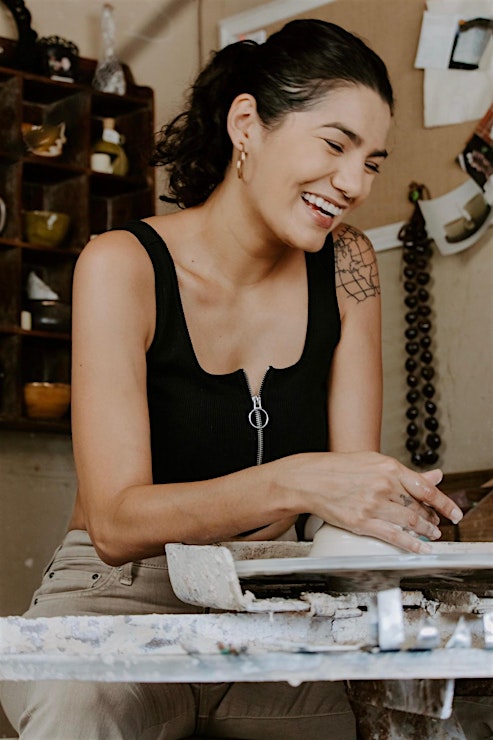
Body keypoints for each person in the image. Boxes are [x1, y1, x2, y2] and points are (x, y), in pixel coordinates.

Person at [1, 18, 466, 740]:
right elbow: (118, 523)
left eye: (371, 162)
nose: (351, 184)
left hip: (279, 602)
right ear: (246, 123)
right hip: (122, 600)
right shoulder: (121, 264)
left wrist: (394, 513)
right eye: (335, 144)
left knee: (419, 710)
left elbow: (339, 503)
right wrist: (298, 480)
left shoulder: (348, 267)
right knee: (78, 708)